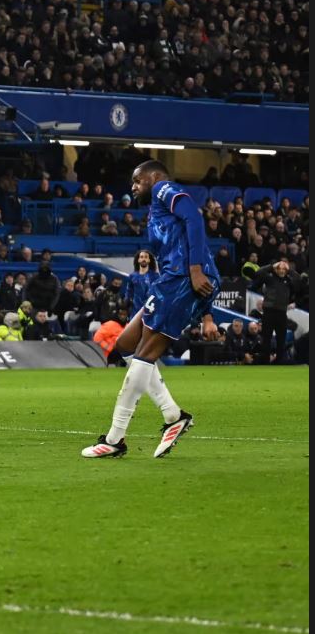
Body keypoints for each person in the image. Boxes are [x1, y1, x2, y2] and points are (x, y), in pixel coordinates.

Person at [82, 159, 218, 460]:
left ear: (152, 176)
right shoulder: (157, 206)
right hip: (171, 280)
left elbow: (193, 219)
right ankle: (173, 415)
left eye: (136, 180)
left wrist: (195, 270)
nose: (133, 187)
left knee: (143, 357)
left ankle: (115, 439)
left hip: (183, 278)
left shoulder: (162, 188)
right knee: (126, 344)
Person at [248, 259, 297, 364]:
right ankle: (265, 362)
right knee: (266, 338)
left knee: (281, 339)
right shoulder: (269, 278)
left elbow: (299, 280)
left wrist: (290, 270)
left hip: (282, 313)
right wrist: (271, 266)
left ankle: (279, 362)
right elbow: (258, 273)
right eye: (280, 268)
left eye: (284, 269)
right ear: (276, 269)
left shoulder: (289, 280)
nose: (282, 271)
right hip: (269, 312)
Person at [122, 248, 158, 315]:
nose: (143, 259)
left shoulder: (155, 276)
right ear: (138, 260)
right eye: (141, 257)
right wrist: (125, 305)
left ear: (149, 260)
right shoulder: (132, 276)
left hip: (151, 311)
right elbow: (128, 292)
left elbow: (159, 293)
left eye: (146, 257)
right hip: (135, 311)